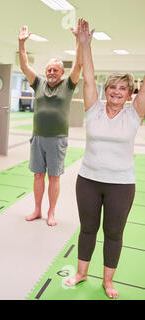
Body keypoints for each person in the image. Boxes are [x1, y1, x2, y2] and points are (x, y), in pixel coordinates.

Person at [64, 19, 145, 299]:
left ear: (130, 93)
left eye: (123, 88)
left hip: (121, 184)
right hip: (88, 179)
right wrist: (85, 45)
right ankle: (82, 272)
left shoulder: (134, 113)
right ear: (106, 90)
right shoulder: (93, 109)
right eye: (113, 87)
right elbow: (88, 76)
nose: (116, 91)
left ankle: (108, 281)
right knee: (87, 229)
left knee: (113, 233)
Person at [18, 22, 82, 226]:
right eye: (49, 69)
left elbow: (79, 65)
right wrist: (21, 44)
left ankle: (51, 212)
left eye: (55, 69)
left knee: (54, 177)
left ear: (62, 72)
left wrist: (78, 40)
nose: (52, 72)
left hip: (57, 139)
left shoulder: (68, 85)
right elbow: (24, 66)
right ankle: (37, 209)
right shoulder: (38, 83)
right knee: (38, 175)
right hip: (38, 138)